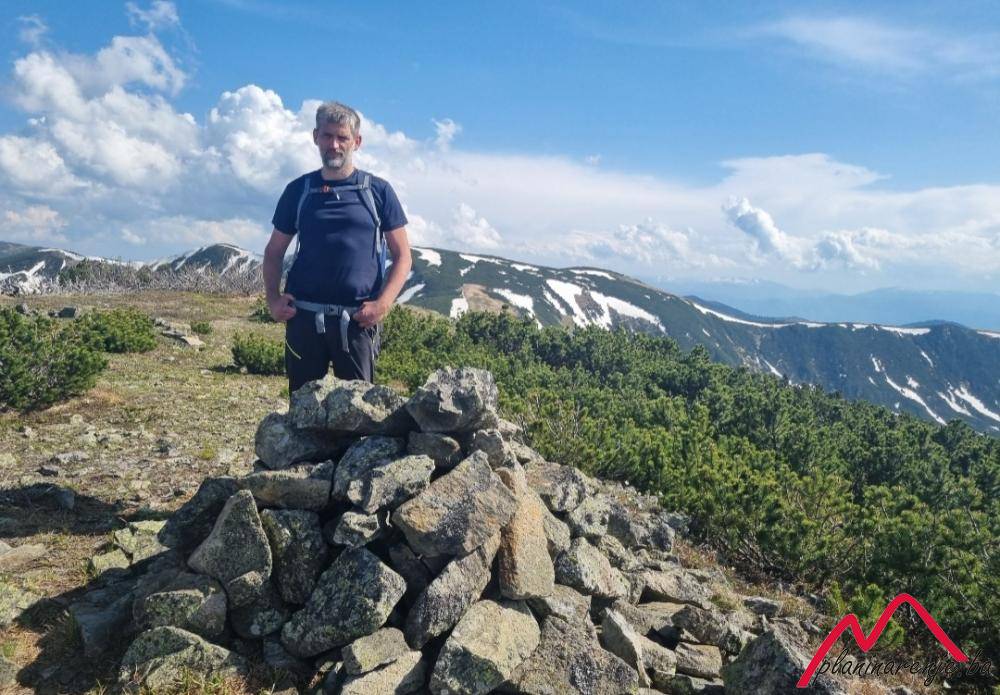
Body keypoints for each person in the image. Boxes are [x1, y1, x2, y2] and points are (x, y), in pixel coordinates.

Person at [262, 101, 411, 395]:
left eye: (342, 137)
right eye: (327, 136)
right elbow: (274, 251)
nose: (334, 145)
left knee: (359, 411)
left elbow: (403, 256)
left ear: (357, 141)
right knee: (303, 409)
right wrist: (273, 300)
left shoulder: (378, 191)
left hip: (358, 321)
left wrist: (382, 305)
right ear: (315, 137)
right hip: (303, 318)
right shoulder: (298, 190)